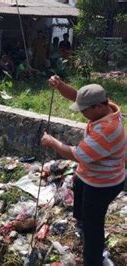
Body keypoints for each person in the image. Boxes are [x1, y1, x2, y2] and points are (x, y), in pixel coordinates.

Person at [41, 75, 125, 266]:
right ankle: (81, 223)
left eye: (83, 111)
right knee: (79, 186)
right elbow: (77, 96)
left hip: (104, 183)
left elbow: (77, 154)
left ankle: (92, 260)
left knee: (94, 225)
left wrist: (51, 141)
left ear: (97, 107)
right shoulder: (108, 107)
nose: (81, 113)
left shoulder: (107, 129)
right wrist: (60, 85)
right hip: (90, 174)